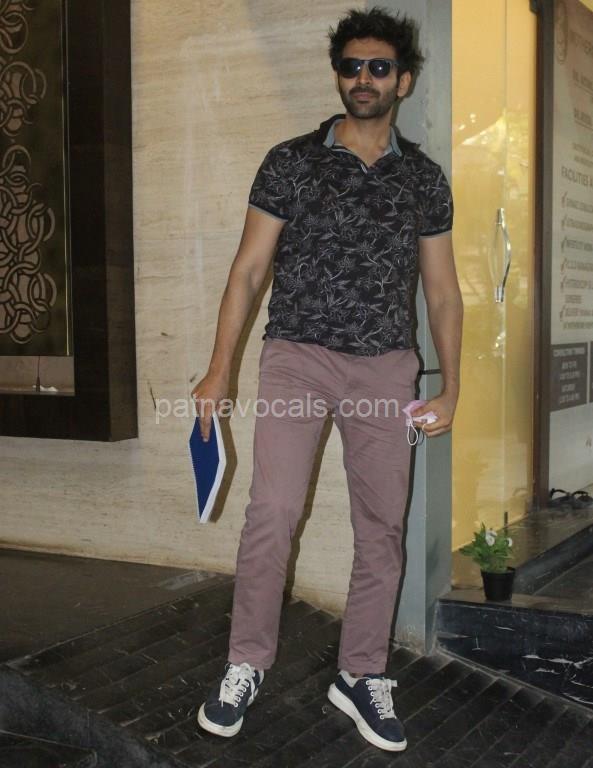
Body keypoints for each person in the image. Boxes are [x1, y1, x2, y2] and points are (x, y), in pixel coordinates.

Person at [191, 6, 463, 753]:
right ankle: (245, 663)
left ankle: (361, 674)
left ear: (403, 80)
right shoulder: (291, 161)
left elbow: (442, 293)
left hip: (386, 366)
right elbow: (249, 271)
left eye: (379, 67)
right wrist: (218, 369)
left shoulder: (424, 179)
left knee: (382, 527)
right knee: (273, 511)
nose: (363, 78)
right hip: (297, 358)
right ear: (338, 75)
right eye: (351, 66)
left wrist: (450, 386)